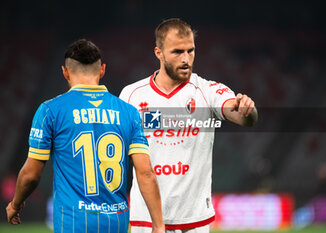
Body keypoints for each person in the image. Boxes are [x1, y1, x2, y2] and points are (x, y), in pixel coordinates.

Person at [6, 39, 165, 233]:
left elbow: (31, 175)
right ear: (102, 70)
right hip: (116, 223)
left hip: (74, 222)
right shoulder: (129, 112)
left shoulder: (50, 111)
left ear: (65, 72)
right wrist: (158, 225)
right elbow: (146, 172)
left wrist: (15, 204)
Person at [119, 18, 258, 232]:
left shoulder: (208, 90)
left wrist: (246, 110)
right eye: (177, 52)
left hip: (194, 221)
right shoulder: (131, 95)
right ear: (159, 53)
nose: (186, 59)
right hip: (145, 220)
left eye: (190, 51)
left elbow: (241, 116)